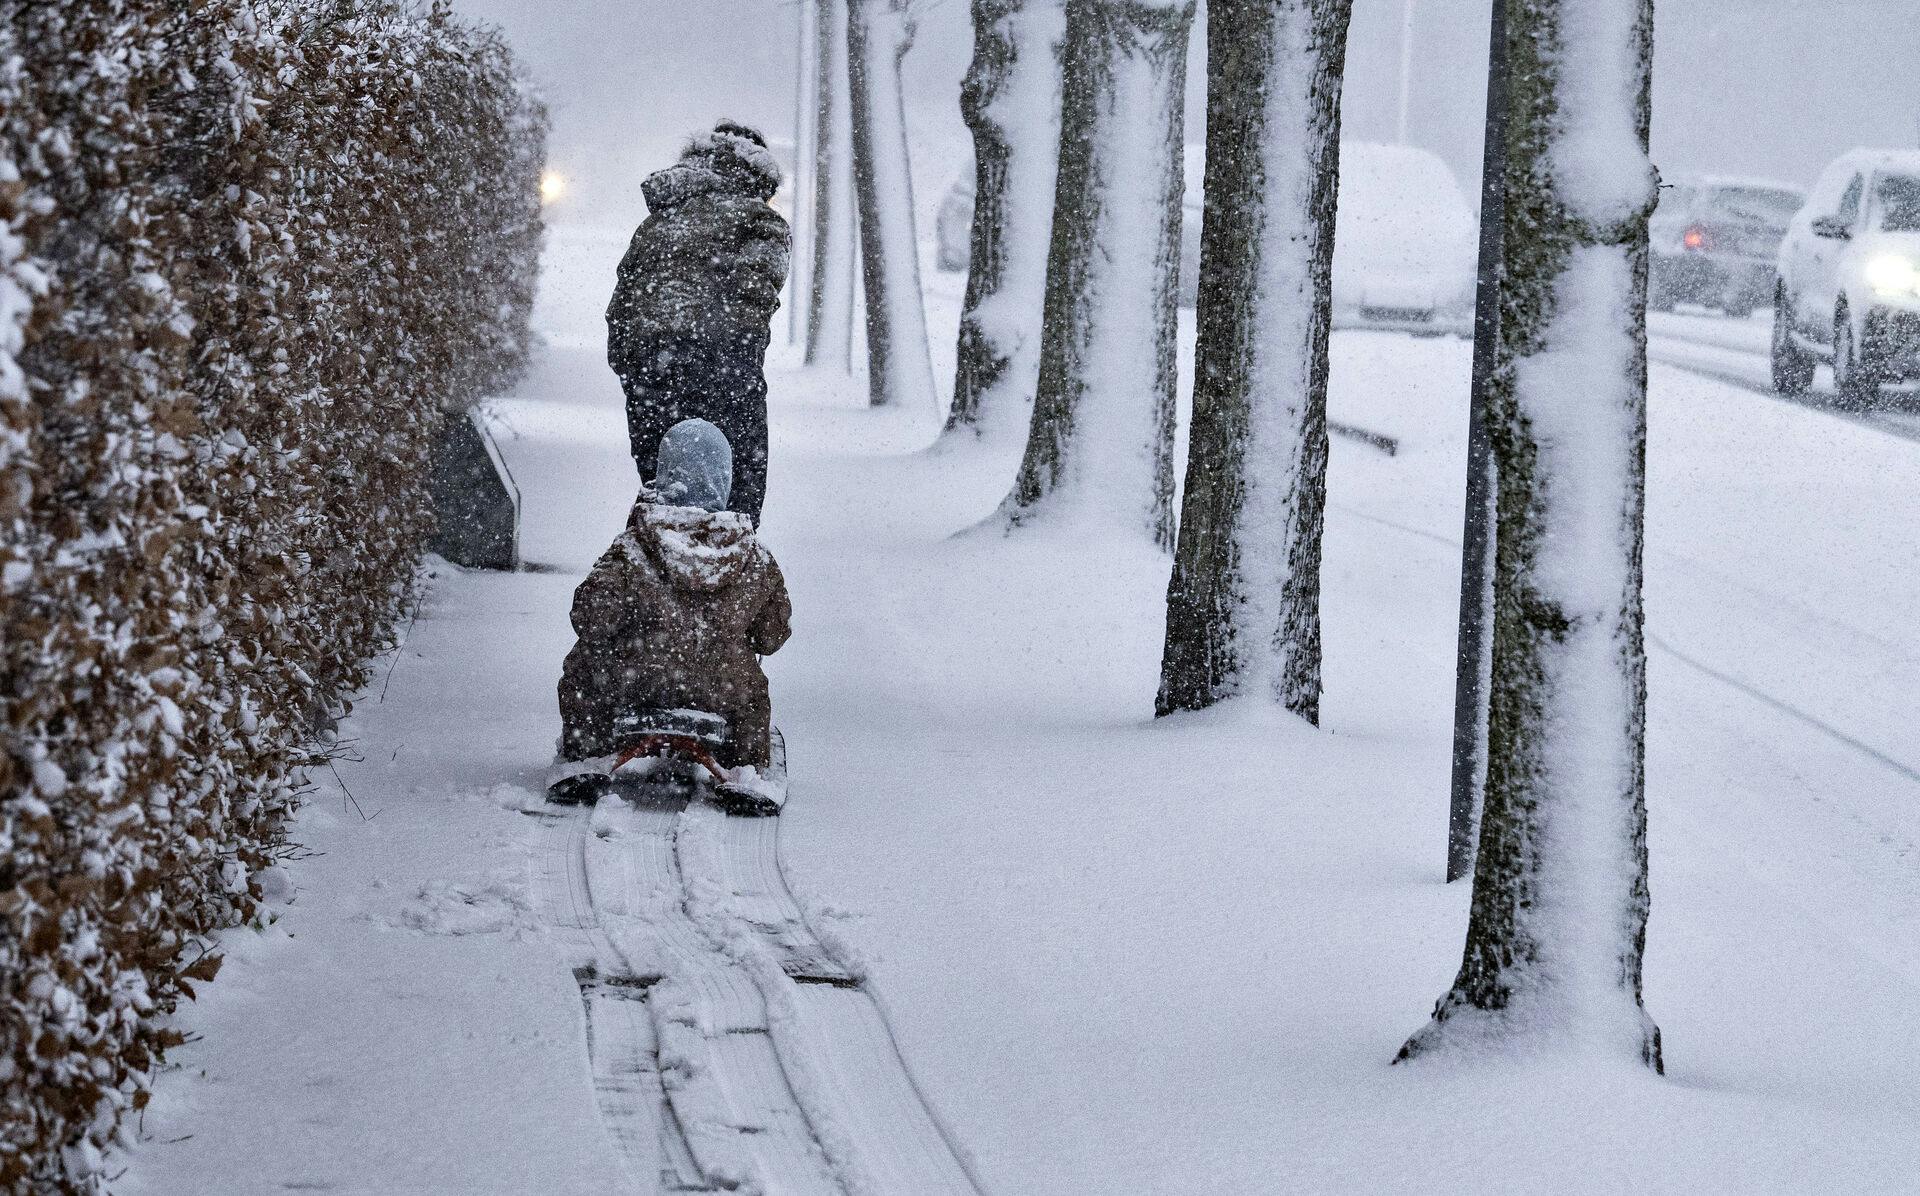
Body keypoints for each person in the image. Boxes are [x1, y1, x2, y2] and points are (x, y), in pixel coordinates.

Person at [555, 420, 792, 781]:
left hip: (633, 683)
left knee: (583, 669)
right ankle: (746, 763)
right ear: (725, 481)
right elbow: (771, 637)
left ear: (664, 476)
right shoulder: (754, 557)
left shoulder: (631, 547)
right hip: (723, 692)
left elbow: (591, 620)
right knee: (752, 696)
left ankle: (586, 749)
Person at [607, 121, 789, 526]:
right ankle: (725, 578)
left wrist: (635, 365)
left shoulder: (657, 222)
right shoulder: (761, 222)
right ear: (758, 173)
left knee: (664, 493)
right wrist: (732, 358)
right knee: (735, 501)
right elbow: (754, 298)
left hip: (650, 374)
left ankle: (658, 575)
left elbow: (622, 303)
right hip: (723, 371)